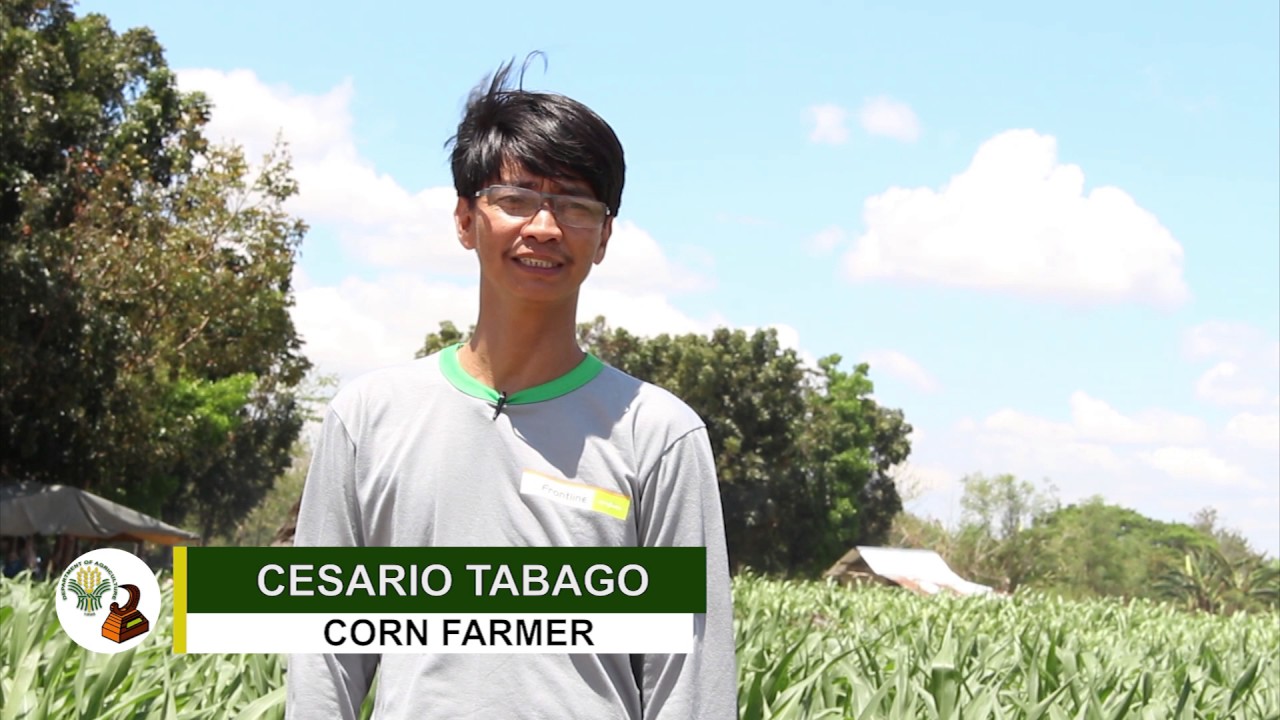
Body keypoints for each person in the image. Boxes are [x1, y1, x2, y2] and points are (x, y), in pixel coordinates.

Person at [285, 58, 737, 719]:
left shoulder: (658, 436)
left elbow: (690, 684)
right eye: (517, 199)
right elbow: (323, 662)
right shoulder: (367, 420)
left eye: (575, 205)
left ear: (604, 236)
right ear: (466, 220)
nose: (546, 228)